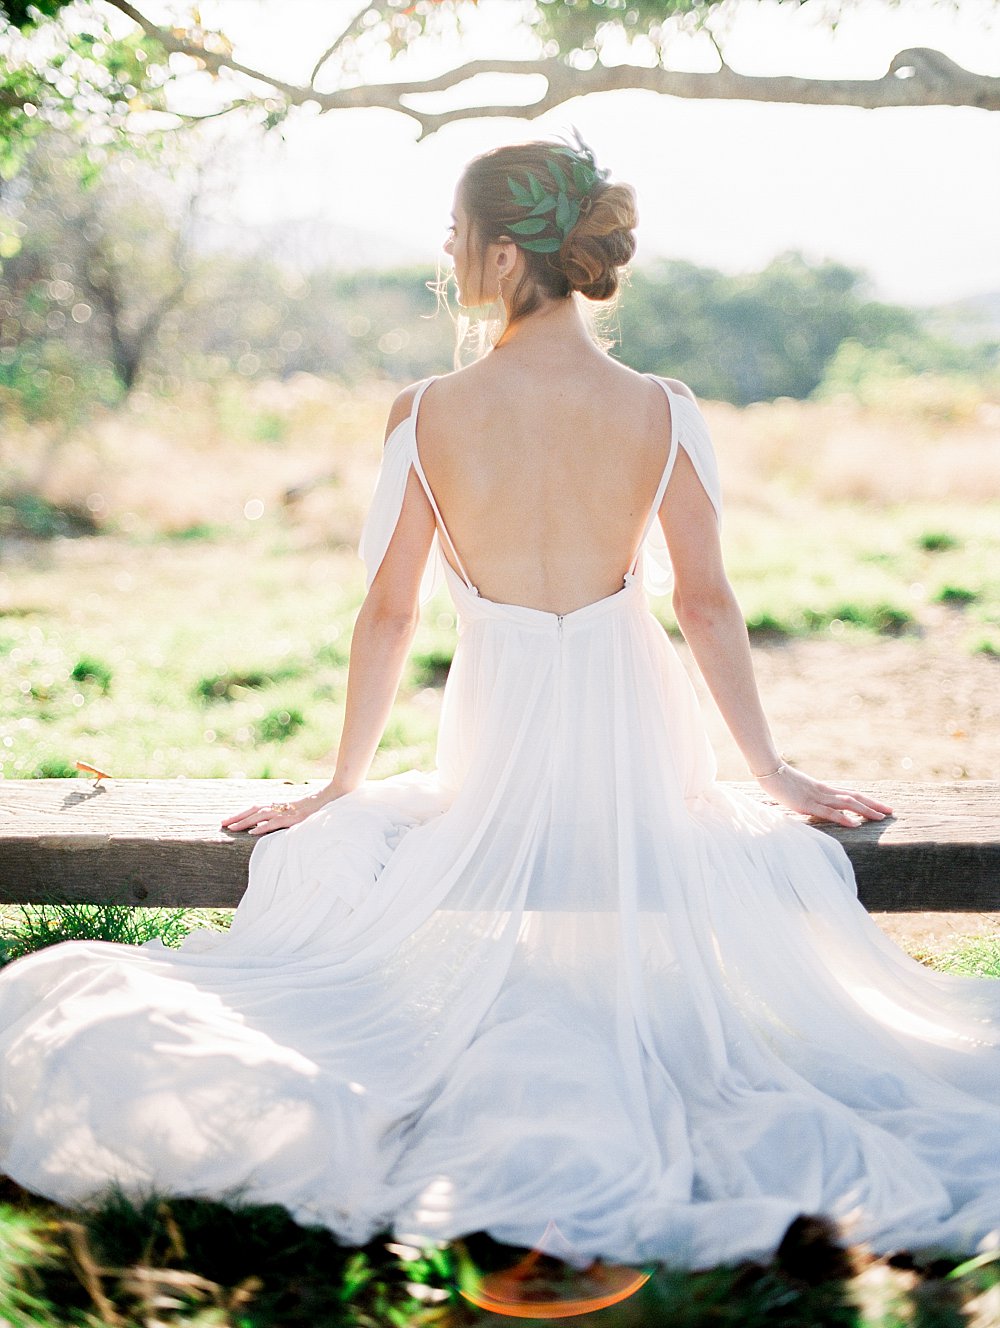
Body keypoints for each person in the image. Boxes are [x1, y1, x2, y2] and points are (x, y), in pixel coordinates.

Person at [1, 138, 998, 1273]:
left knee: (387, 860)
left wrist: (339, 783)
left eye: (456, 231)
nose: (443, 248)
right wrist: (769, 773)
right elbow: (709, 607)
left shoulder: (425, 411)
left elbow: (389, 615)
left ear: (507, 251)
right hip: (633, 724)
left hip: (499, 724)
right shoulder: (662, 407)